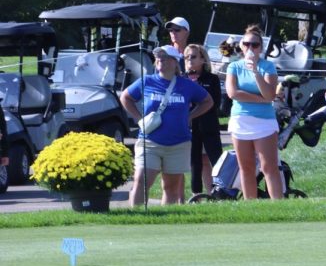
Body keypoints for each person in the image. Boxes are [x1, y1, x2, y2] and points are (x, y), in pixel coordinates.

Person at [120, 44, 213, 206]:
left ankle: (163, 220)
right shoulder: (147, 81)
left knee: (171, 187)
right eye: (158, 58)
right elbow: (125, 97)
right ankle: (136, 218)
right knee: (141, 182)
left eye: (165, 57)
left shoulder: (186, 85)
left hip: (179, 143)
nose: (160, 60)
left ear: (175, 62)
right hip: (149, 141)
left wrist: (190, 116)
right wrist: (138, 118)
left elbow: (207, 101)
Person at [225, 25, 284, 200]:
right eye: (247, 44)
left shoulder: (268, 67)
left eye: (255, 45)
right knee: (246, 167)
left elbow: (269, 93)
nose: (250, 48)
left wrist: (255, 72)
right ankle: (250, 204)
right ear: (241, 46)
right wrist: (262, 99)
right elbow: (233, 93)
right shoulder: (234, 66)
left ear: (261, 47)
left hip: (264, 121)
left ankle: (278, 207)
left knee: (269, 167)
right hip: (240, 120)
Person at [183, 43, 222, 194]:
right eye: (187, 57)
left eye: (193, 57)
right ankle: (196, 195)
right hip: (191, 127)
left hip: (209, 126)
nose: (189, 60)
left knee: (216, 160)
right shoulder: (182, 79)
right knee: (195, 163)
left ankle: (220, 191)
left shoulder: (212, 79)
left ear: (202, 59)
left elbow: (215, 103)